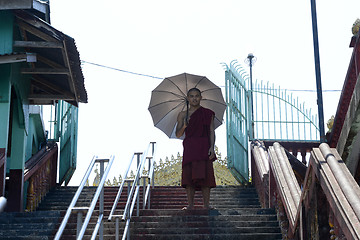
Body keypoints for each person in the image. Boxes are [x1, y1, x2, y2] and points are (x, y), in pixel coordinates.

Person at [176, 87, 216, 210]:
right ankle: (190, 205)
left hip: (204, 145)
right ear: (188, 98)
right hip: (190, 147)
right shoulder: (182, 114)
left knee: (206, 176)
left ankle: (206, 205)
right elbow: (178, 134)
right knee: (188, 177)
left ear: (201, 98)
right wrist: (184, 125)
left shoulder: (208, 113)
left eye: (197, 96)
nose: (194, 98)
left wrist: (212, 148)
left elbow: (211, 131)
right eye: (192, 96)